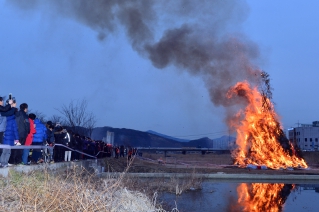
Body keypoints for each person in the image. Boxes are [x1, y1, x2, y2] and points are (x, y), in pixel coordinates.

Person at [0, 100, 19, 168]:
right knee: (8, 152)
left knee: (4, 151)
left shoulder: (5, 118)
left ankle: (2, 162)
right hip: (10, 137)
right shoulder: (12, 120)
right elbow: (15, 130)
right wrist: (17, 139)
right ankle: (4, 163)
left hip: (4, 136)